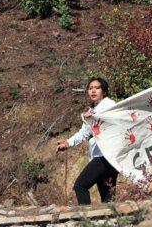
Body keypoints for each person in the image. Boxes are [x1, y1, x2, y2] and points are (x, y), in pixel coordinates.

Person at [56, 77, 118, 205]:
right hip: (104, 157)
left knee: (80, 186)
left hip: (104, 156)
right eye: (90, 88)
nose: (93, 91)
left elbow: (114, 122)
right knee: (108, 199)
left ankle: (86, 221)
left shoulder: (110, 106)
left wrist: (93, 118)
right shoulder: (92, 110)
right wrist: (68, 143)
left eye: (97, 88)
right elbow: (84, 133)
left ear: (104, 91)